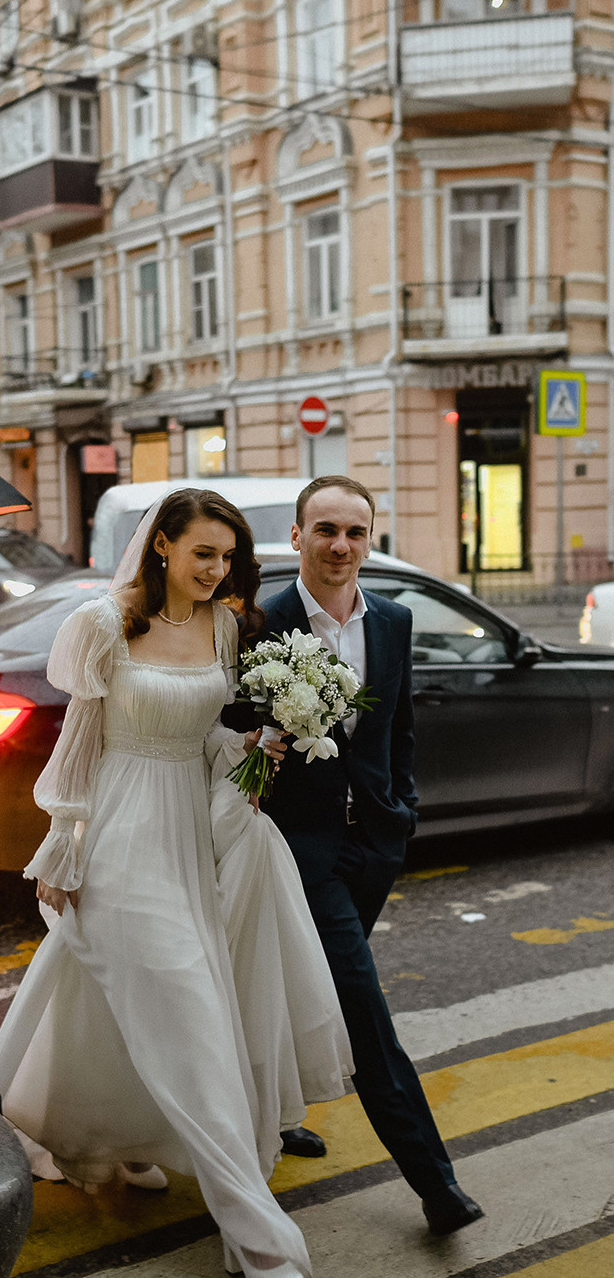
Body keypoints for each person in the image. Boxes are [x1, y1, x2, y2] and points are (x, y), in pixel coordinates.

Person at [0, 488, 353, 1278]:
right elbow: (80, 742)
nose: (218, 571)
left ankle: (116, 1134)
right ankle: (258, 1236)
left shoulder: (223, 623)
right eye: (203, 555)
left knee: (147, 1008)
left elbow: (200, 734)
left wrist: (248, 745)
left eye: (228, 558)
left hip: (192, 833)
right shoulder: (104, 623)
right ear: (161, 547)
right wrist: (61, 843)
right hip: (120, 836)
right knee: (189, 1016)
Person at [244, 475, 483, 1236]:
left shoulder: (396, 619)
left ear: (370, 538)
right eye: (325, 530)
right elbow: (225, 723)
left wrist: (401, 813)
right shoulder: (260, 620)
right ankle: (436, 1183)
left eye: (355, 531)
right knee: (365, 1011)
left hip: (375, 844)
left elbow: (399, 727)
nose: (340, 545)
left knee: (298, 990)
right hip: (299, 854)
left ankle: (280, 1119)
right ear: (297, 536)